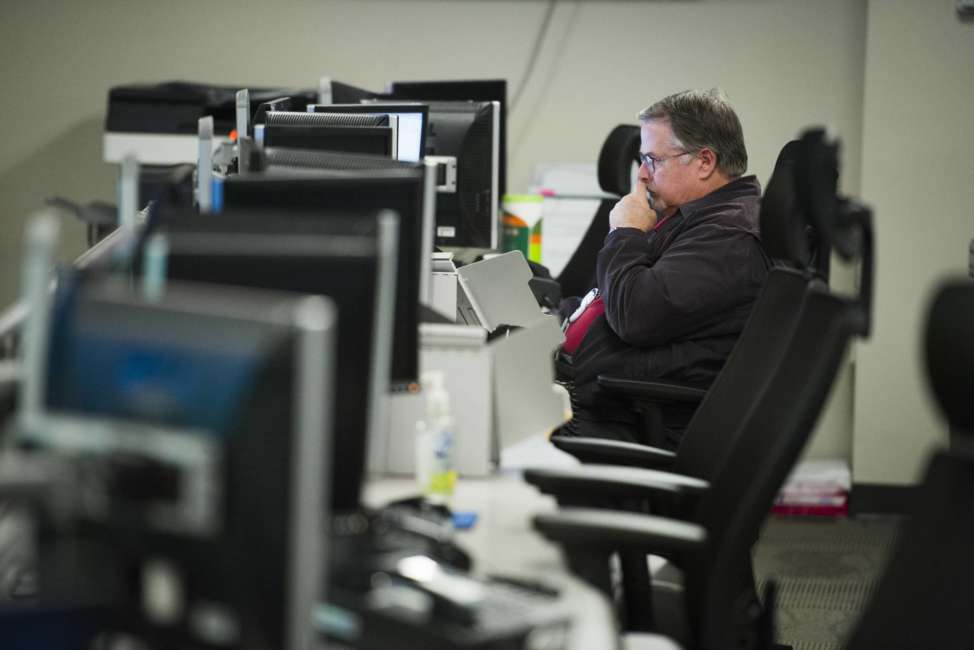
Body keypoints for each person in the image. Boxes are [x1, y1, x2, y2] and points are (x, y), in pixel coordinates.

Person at [556, 89, 772, 449]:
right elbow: (611, 297)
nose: (641, 175)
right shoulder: (692, 217)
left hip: (630, 421)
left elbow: (635, 315)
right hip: (604, 402)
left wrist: (625, 233)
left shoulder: (728, 238)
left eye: (653, 160)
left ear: (704, 162)